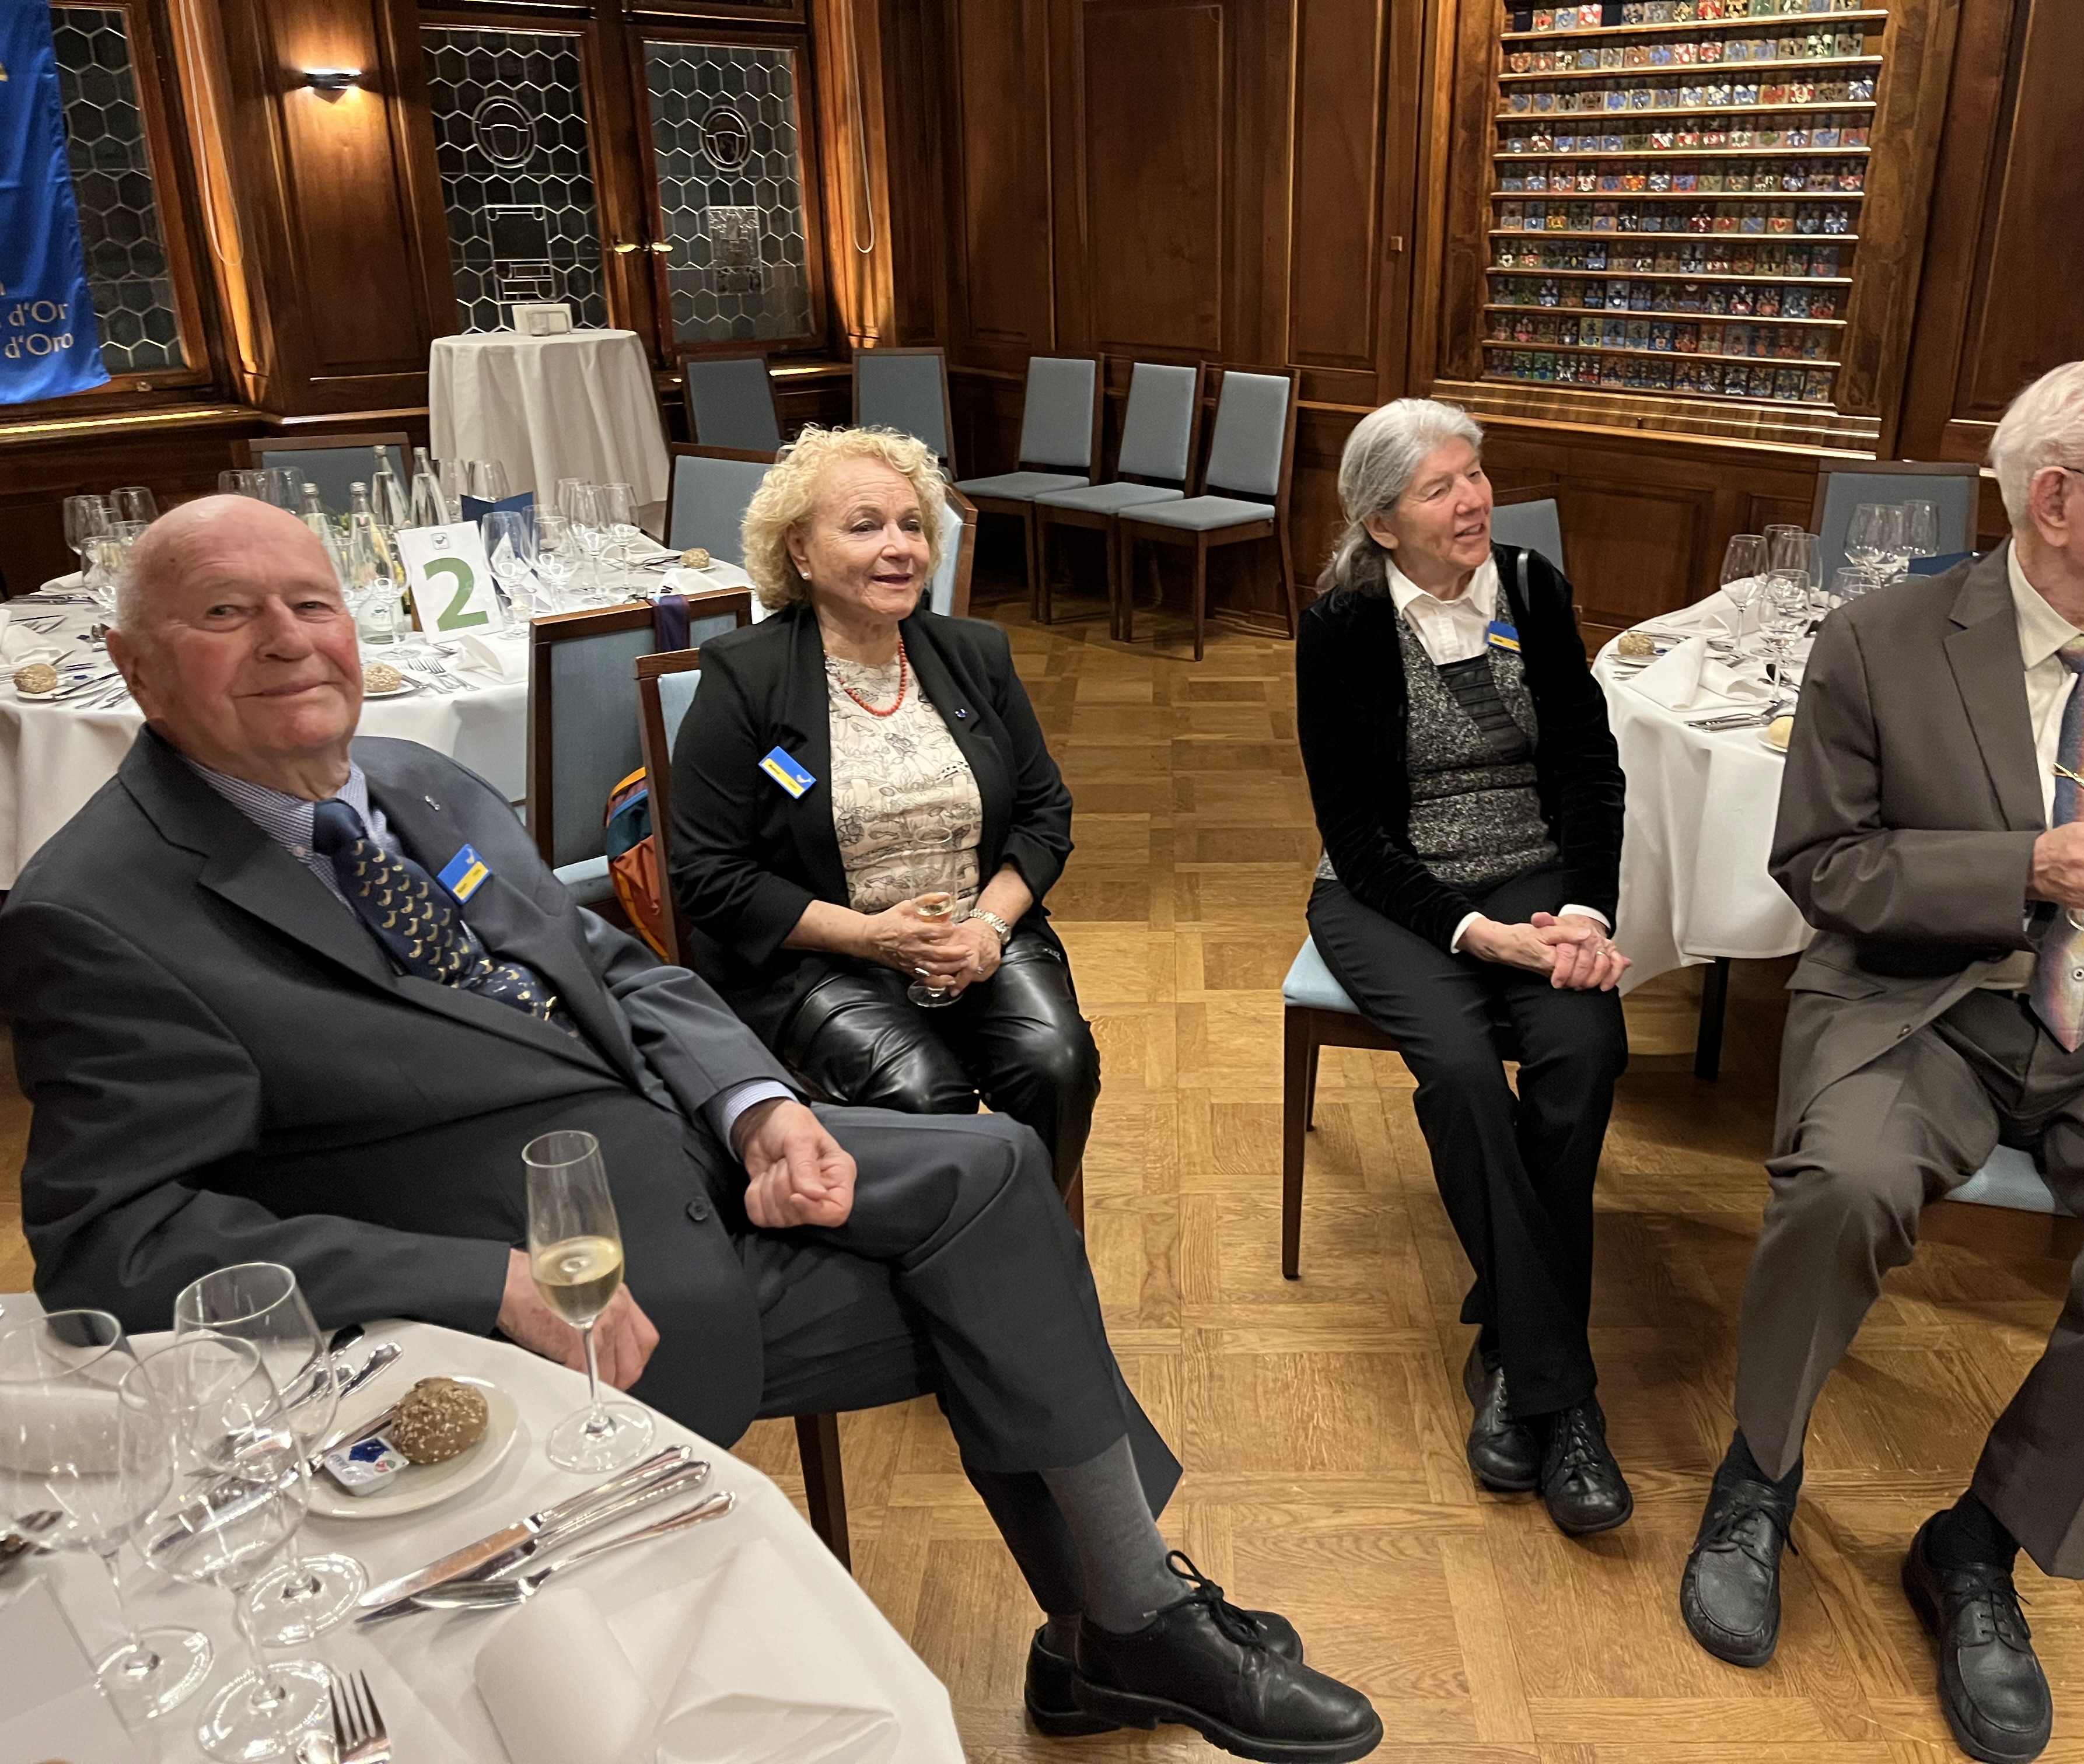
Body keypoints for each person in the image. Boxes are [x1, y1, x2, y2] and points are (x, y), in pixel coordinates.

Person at [0, 495, 1382, 1763]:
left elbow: (614, 965)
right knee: (1011, 1292)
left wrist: (757, 1102)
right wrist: (481, 1281)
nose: (288, 639)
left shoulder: (418, 782)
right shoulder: (100, 909)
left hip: (693, 1148)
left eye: (312, 602)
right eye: (226, 612)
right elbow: (113, 1241)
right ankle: (1122, 1621)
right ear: (134, 668)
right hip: (560, 1281)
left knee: (1000, 1164)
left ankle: (1113, 1627)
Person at [1679, 354, 2084, 1764]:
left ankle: (1981, 1542)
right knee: (1845, 1184)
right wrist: (2022, 867)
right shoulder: (1882, 641)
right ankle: (1760, 1476)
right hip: (1932, 1010)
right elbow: (1824, 866)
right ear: (2056, 500)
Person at [1294, 398, 1635, 1539]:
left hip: (1535, 875)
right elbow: (1353, 832)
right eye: (1440, 487)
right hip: (1391, 894)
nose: (1474, 499)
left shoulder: (1530, 588)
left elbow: (1588, 765)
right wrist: (1475, 934)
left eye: (1475, 474)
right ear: (1382, 523)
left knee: (1586, 1050)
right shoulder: (1341, 626)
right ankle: (1563, 1399)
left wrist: (1582, 910)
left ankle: (1509, 1344)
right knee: (1459, 1073)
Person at [665, 425, 1098, 1204]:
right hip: (819, 958)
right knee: (922, 1092)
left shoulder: (976, 655)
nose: (900, 548)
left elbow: (1044, 814)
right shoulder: (746, 678)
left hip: (976, 937)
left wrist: (988, 927)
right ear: (801, 550)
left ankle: (1024, 1238)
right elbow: (708, 876)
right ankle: (940, 1257)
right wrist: (872, 937)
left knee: (1057, 1065)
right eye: (865, 527)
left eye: (912, 526)